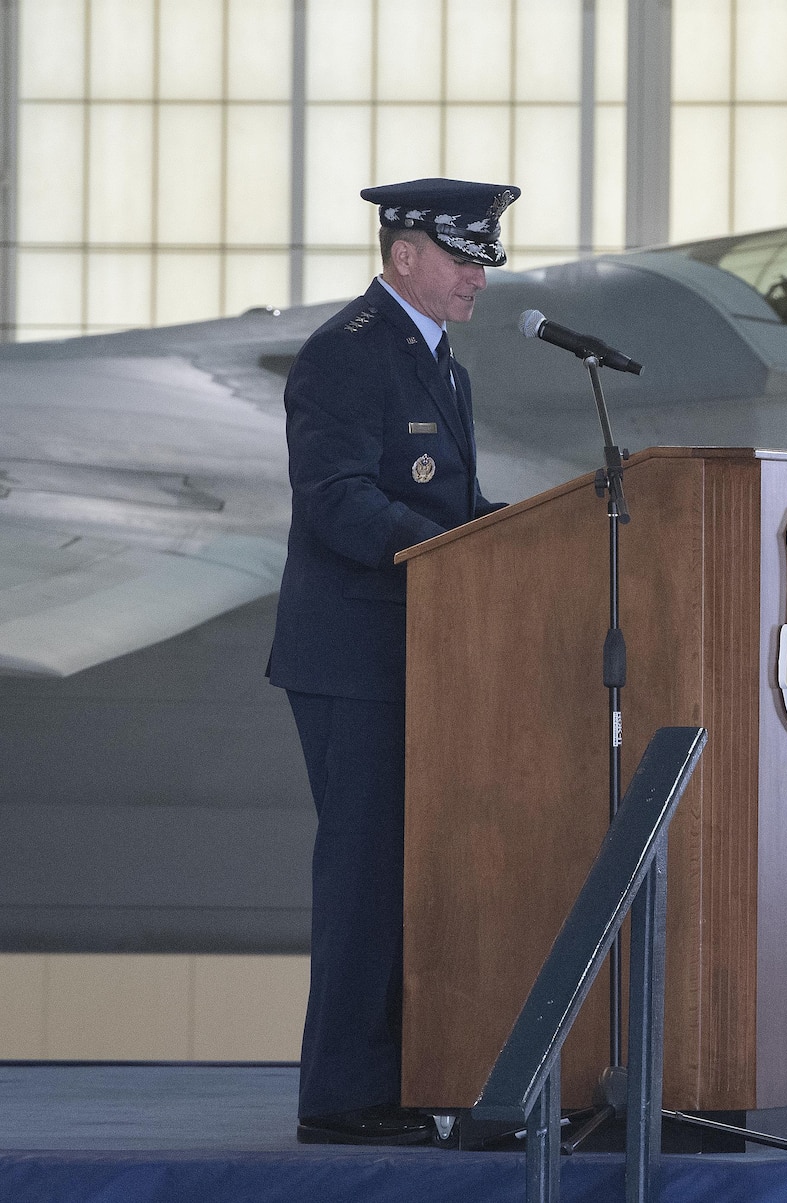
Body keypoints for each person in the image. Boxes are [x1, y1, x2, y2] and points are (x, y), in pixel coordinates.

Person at [267, 178, 517, 1145]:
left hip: (425, 651)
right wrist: (451, 550)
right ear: (403, 251)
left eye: (484, 262)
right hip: (354, 657)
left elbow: (452, 502)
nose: (478, 280)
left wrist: (527, 530)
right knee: (365, 877)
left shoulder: (443, 365)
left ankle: (408, 1076)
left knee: (415, 876)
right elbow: (332, 500)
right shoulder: (346, 354)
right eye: (462, 260)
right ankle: (342, 1096)